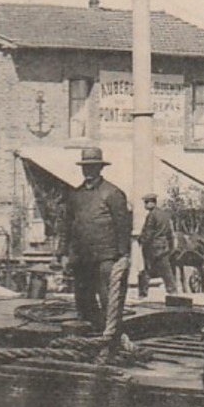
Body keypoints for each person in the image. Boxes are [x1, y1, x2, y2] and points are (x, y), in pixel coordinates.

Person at [57, 147, 133, 357]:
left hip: (107, 258)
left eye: (93, 167)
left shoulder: (113, 193)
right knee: (83, 300)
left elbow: (123, 226)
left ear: (100, 168)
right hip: (81, 258)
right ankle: (90, 342)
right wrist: (63, 253)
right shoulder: (76, 195)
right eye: (86, 167)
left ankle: (112, 343)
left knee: (110, 300)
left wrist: (124, 256)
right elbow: (66, 226)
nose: (89, 171)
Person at [137, 193, 180, 299]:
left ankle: (142, 293)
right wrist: (170, 247)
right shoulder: (165, 214)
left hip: (152, 247)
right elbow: (170, 233)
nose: (145, 205)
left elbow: (149, 232)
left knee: (146, 269)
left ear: (152, 202)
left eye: (146, 203)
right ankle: (173, 291)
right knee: (166, 270)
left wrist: (142, 242)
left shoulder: (152, 215)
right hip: (163, 246)